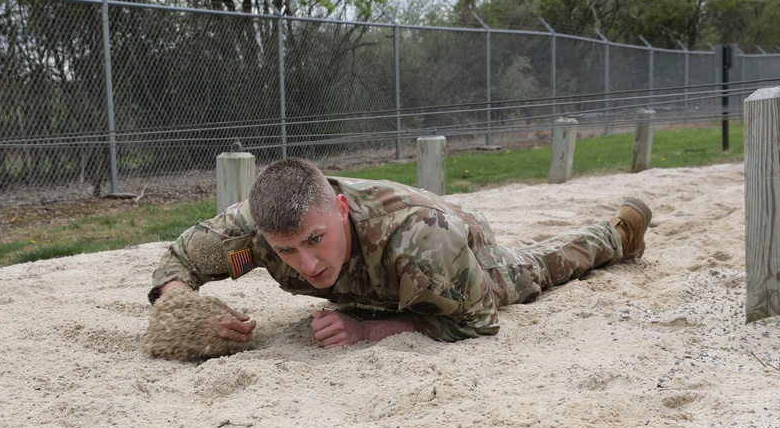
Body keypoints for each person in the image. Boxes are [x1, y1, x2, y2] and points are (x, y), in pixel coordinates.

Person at [149, 157, 651, 348]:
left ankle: (616, 233)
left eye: (316, 241)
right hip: (386, 273)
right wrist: (189, 316)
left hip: (457, 250)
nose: (307, 264)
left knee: (540, 269)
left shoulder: (424, 244)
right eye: (288, 251)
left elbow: (476, 324)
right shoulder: (255, 226)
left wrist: (368, 329)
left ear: (341, 209)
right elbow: (179, 262)